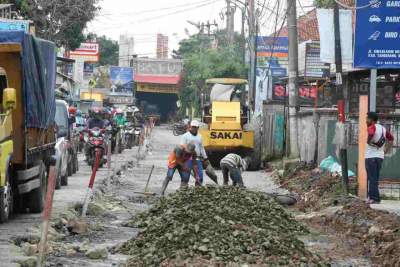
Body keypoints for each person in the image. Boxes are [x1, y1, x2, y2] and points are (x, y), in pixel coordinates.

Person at [365, 112, 394, 204]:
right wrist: (386, 150)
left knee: (372, 178)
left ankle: (375, 198)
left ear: (371, 120)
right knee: (374, 178)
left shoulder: (372, 127)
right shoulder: (383, 128)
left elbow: (371, 132)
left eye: (367, 118)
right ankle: (371, 197)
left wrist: (368, 141)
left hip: (371, 156)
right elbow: (391, 138)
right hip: (380, 157)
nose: (366, 120)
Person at [180, 120, 216, 184]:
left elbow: (202, 148)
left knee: (200, 177)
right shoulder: (185, 136)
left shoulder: (200, 136)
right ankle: (184, 189)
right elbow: (182, 147)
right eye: (193, 127)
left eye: (195, 127)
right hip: (187, 159)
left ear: (198, 128)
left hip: (197, 159)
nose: (194, 128)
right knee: (185, 178)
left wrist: (205, 158)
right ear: (190, 127)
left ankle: (197, 190)